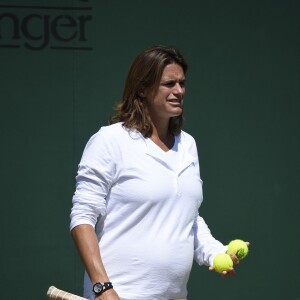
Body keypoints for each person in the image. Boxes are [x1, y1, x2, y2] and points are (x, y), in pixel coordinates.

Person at [70, 45, 245, 300]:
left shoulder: (188, 145)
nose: (179, 91)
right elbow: (82, 219)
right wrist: (102, 288)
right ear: (142, 88)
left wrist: (216, 251)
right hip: (117, 294)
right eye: (169, 84)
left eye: (182, 83)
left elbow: (187, 218)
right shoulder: (109, 140)